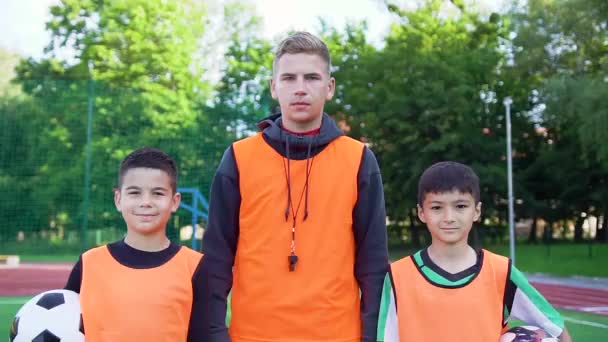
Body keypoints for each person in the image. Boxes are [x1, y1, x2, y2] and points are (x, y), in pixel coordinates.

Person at [200, 31, 389, 342]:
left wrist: (373, 336)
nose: (300, 88)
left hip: (337, 334)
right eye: (289, 78)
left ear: (329, 88)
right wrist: (213, 333)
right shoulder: (239, 157)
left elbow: (373, 265)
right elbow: (216, 258)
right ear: (274, 87)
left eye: (312, 77)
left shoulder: (358, 159)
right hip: (253, 335)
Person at [377, 161, 572, 341]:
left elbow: (555, 326)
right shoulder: (398, 276)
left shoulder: (500, 271)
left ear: (477, 211)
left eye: (460, 206)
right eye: (436, 207)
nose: (449, 217)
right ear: (421, 213)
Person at [65, 147, 207, 341]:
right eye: (134, 193)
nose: (146, 202)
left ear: (174, 202)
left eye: (157, 193)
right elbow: (65, 327)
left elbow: (207, 333)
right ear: (118, 199)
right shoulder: (89, 264)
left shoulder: (196, 267)